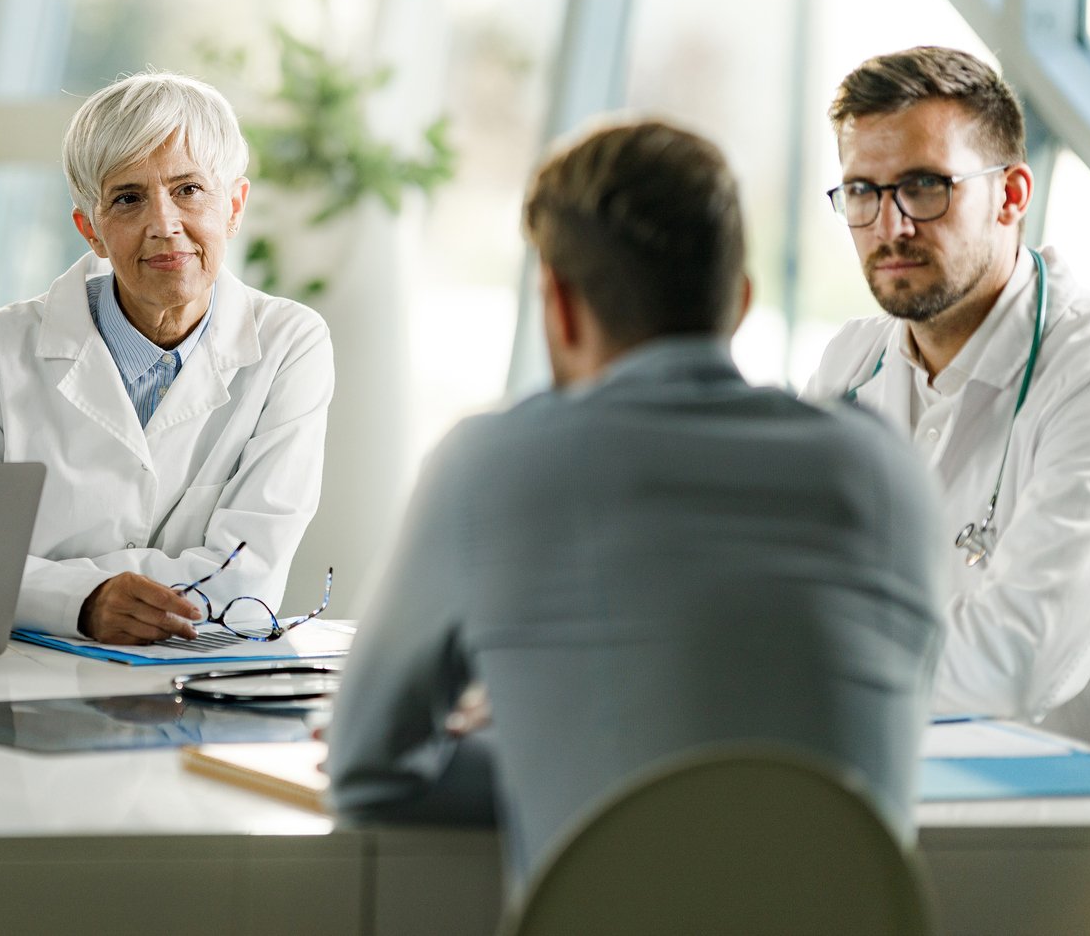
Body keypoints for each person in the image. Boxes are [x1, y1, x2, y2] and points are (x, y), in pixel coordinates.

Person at [327, 119, 941, 882]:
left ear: (558, 303)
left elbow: (368, 772)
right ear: (740, 300)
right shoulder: (885, 470)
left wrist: (559, 757)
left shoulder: (491, 464)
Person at [803, 47, 1090, 754]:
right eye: (862, 192)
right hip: (921, 781)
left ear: (1011, 195)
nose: (890, 226)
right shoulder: (850, 364)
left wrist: (787, 669)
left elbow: (1016, 662)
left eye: (924, 186)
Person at [0, 71, 333, 642]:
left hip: (204, 674)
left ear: (235, 206)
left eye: (189, 189)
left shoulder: (291, 344)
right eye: (127, 199)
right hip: (30, 678)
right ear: (91, 230)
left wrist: (41, 587)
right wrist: (83, 602)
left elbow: (249, 584)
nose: (165, 225)